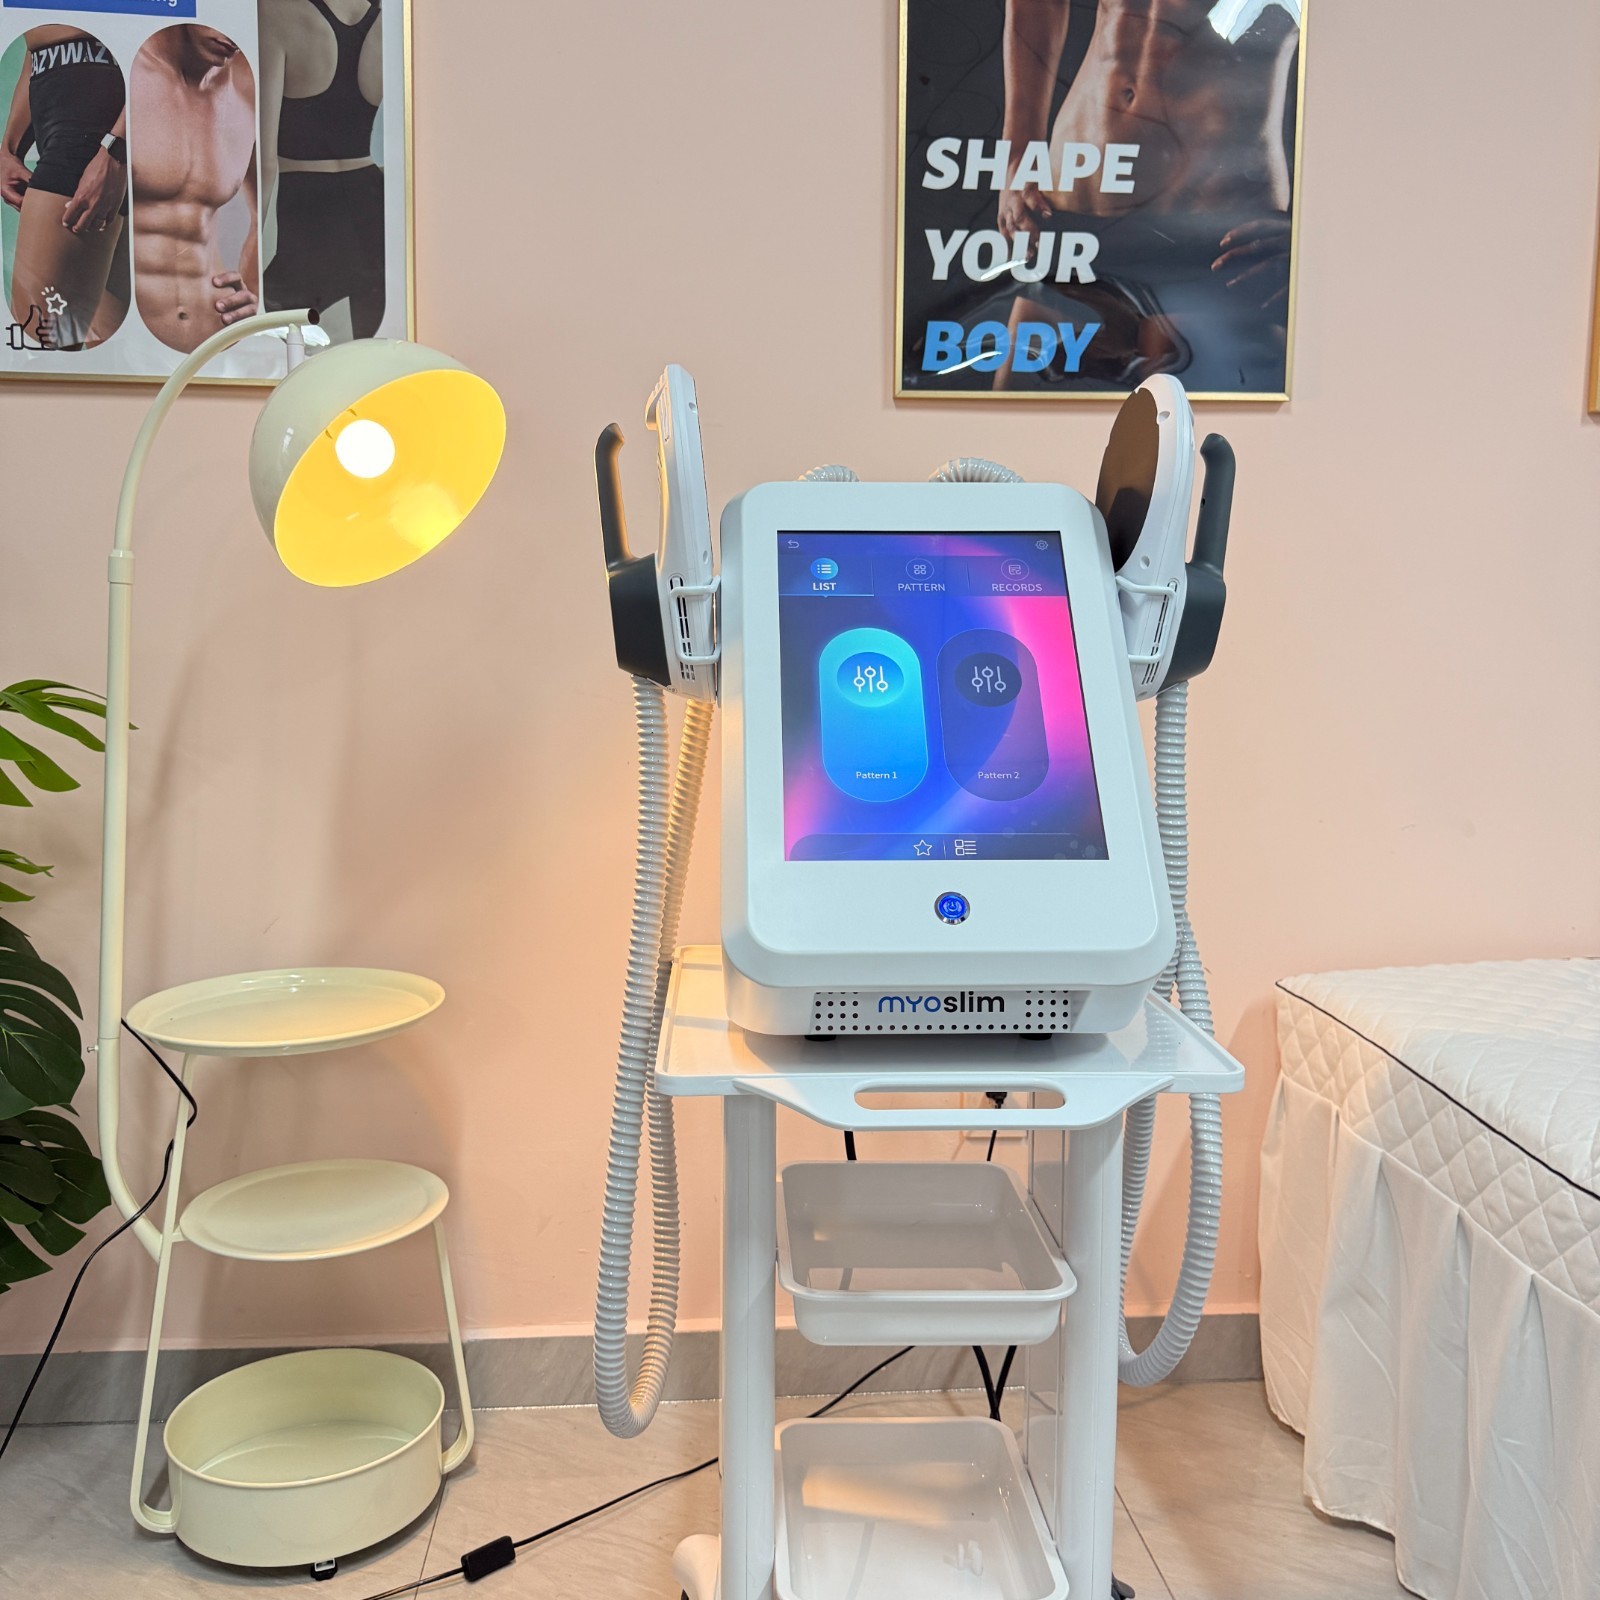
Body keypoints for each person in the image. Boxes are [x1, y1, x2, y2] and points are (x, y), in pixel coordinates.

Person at [992, 0, 1300, 391]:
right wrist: (1017, 157)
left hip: (1218, 229)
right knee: (1015, 421)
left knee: (1222, 427)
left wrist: (1315, 232)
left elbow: (1368, 67)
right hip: (1077, 204)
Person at [259, 0, 386, 341]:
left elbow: (265, 161)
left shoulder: (276, 11)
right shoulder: (384, 20)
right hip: (371, 206)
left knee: (262, 341)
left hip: (309, 214)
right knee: (375, 356)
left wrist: (247, 246)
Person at [129, 25, 259, 354]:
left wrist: (256, 299)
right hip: (124, 344)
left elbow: (267, 215)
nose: (231, 36)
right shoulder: (124, 67)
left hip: (219, 339)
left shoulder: (246, 80)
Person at [0, 27, 130, 351]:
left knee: (40, 348)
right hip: (70, 119)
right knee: (105, 352)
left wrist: (116, 149)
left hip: (97, 136)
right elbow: (36, 51)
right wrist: (9, 149)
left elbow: (164, 50)